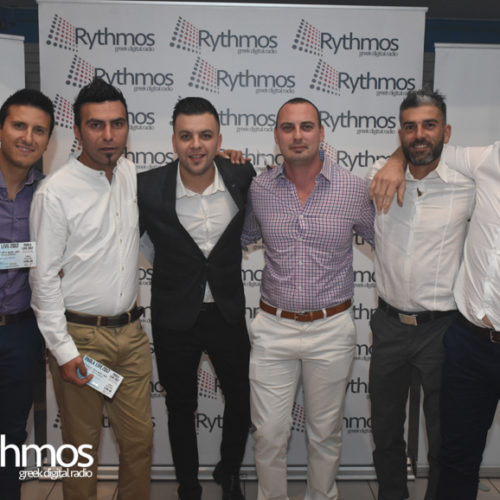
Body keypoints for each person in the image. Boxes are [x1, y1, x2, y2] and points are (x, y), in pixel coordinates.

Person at [241, 97, 374, 500]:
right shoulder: (260, 188)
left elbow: (387, 242)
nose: (297, 135)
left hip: (331, 329)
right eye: (288, 127)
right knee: (268, 435)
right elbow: (242, 237)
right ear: (276, 135)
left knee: (325, 435)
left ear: (321, 132)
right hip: (273, 328)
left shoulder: (353, 189)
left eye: (306, 126)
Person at [29, 78, 153, 500]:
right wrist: (64, 351)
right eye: (96, 125)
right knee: (82, 451)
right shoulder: (55, 192)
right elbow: (43, 278)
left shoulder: (131, 175)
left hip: (130, 337)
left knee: (139, 443)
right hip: (81, 339)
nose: (108, 135)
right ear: (78, 130)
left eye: (117, 124)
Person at [369, 113, 500, 500]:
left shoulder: (466, 182)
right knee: (385, 430)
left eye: (430, 126)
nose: (419, 134)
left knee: (445, 438)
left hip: (442, 329)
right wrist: (395, 160)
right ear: (400, 133)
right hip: (390, 325)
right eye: (409, 127)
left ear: (447, 132)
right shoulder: (378, 176)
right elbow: (417, 147)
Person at [138, 97, 255, 500]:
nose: (196, 145)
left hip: (226, 312)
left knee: (241, 398)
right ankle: (188, 485)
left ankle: (229, 470)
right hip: (174, 317)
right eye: (186, 136)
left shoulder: (242, 175)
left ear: (219, 140)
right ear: (173, 140)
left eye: (205, 135)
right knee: (179, 407)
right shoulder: (147, 187)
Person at [0, 89, 54, 500]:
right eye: (19, 126)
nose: (28, 138)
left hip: (20, 331)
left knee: (12, 432)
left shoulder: (51, 194)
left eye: (39, 130)